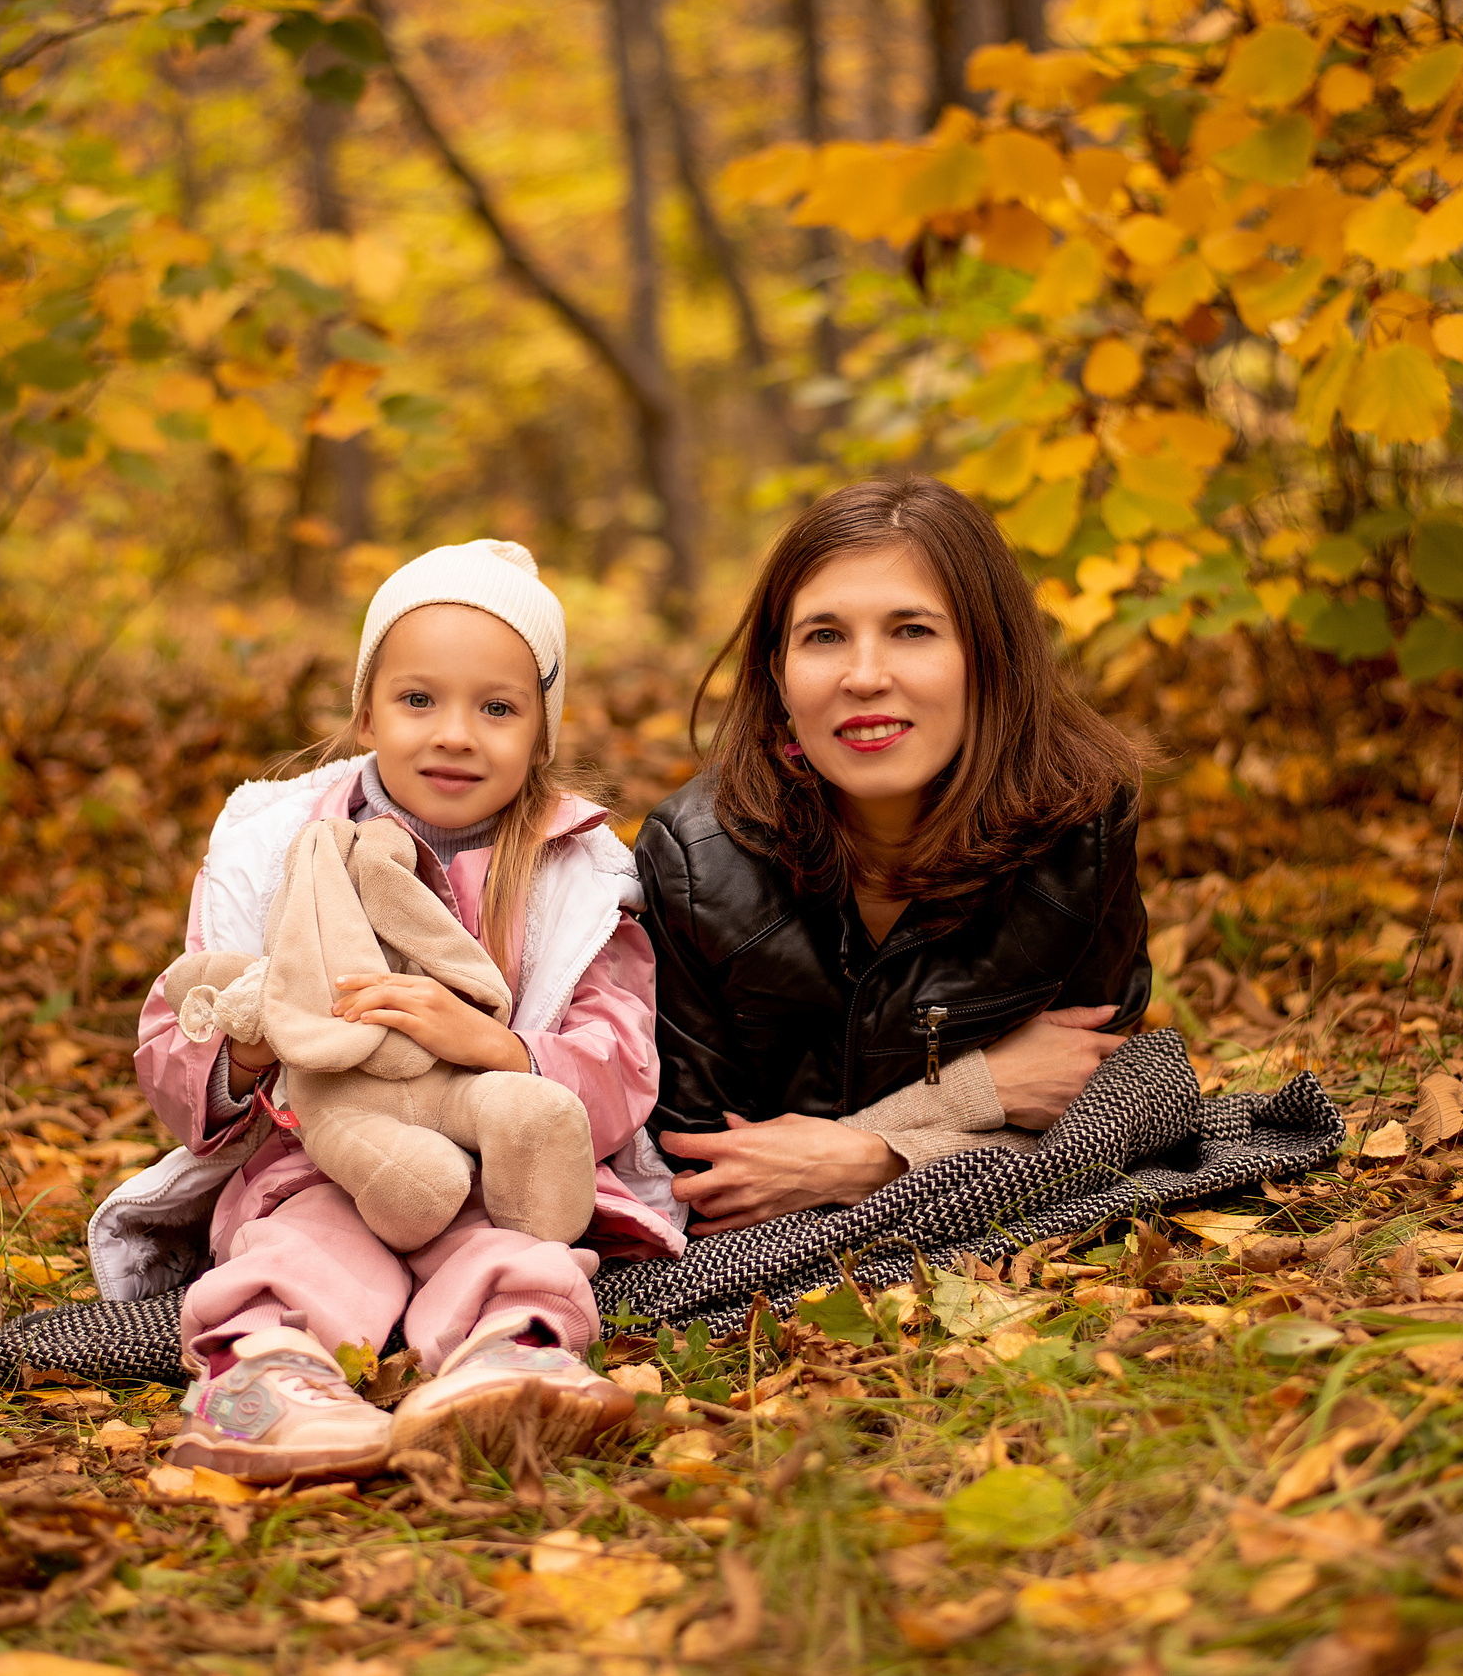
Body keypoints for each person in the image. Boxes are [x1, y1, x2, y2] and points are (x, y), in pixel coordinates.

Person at [133, 540, 683, 1483]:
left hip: (489, 1156)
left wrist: (504, 1048)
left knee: (507, 1247)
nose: (455, 734)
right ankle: (266, 1378)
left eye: (498, 707)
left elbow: (625, 1051)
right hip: (317, 1150)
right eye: (419, 699)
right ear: (366, 709)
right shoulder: (275, 845)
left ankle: (514, 1356)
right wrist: (253, 1046)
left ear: (543, 732)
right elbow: (176, 1020)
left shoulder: (578, 874)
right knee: (301, 1240)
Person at [634, 477, 1156, 1234]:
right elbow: (707, 1178)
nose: (866, 675)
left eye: (912, 629)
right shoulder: (694, 860)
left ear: (989, 657)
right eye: (824, 635)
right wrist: (976, 1096)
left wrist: (863, 1157)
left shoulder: (1080, 826)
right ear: (778, 675)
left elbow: (1096, 1115)